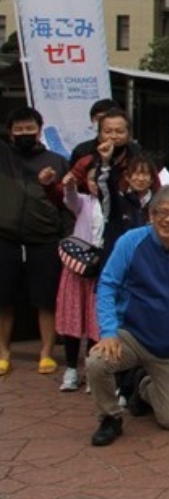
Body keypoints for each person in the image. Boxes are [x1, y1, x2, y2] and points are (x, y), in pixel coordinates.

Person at [85, 185, 169, 446]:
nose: (168, 219)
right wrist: (108, 333)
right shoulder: (130, 242)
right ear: (151, 215)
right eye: (162, 212)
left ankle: (143, 386)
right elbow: (107, 285)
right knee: (96, 362)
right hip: (131, 336)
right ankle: (110, 418)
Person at [0, 107, 71, 376]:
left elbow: (67, 203)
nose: (24, 133)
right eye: (18, 129)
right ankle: (3, 353)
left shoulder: (56, 161)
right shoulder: (3, 156)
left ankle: (46, 353)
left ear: (40, 130)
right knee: (3, 299)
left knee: (46, 299)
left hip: (45, 239)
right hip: (5, 238)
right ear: (10, 132)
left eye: (29, 128)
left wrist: (65, 236)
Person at [55, 163, 107, 392]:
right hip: (77, 268)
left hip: (102, 270)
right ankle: (71, 369)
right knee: (73, 318)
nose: (97, 184)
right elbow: (70, 199)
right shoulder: (84, 201)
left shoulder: (115, 204)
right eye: (93, 179)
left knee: (96, 321)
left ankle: (91, 368)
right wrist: (69, 186)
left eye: (102, 179)